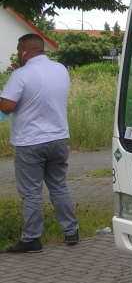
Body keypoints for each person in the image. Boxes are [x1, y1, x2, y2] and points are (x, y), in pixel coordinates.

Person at [2, 34, 77, 253]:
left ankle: (32, 239)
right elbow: (41, 92)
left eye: (18, 50)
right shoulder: (61, 69)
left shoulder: (21, 75)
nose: (17, 54)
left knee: (31, 193)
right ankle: (71, 231)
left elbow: (6, 107)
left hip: (30, 143)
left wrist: (12, 83)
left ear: (25, 51)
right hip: (58, 139)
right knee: (59, 186)